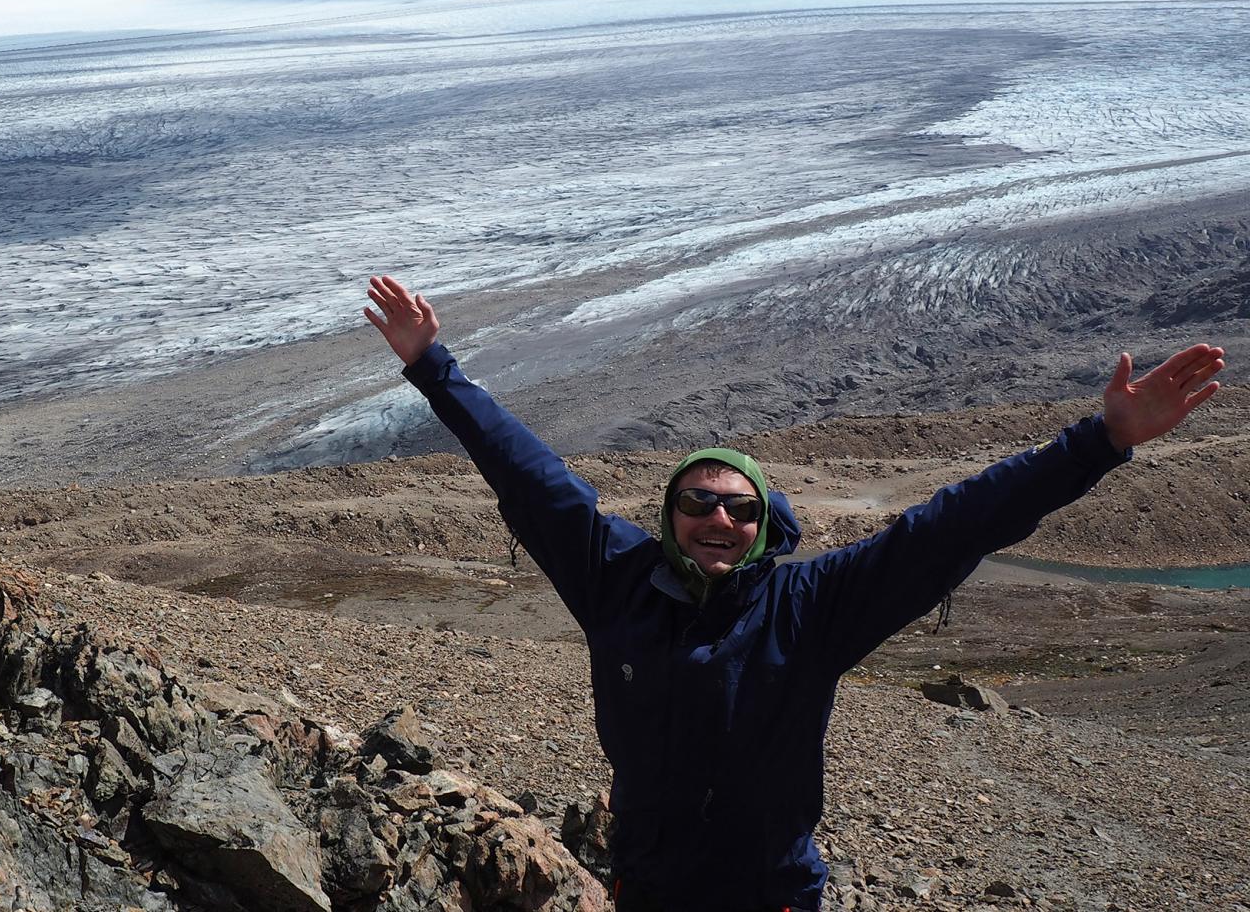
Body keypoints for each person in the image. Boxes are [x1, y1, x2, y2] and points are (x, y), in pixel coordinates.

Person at [361, 274, 1225, 912]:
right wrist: (433, 366)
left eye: (739, 508)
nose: (717, 520)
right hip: (649, 889)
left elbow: (954, 528)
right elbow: (530, 475)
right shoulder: (615, 579)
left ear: (767, 527)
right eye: (696, 503)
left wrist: (1102, 440)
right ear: (669, 517)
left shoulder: (812, 608)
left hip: (772, 895)